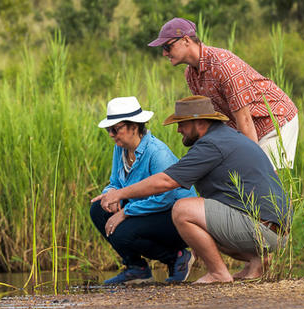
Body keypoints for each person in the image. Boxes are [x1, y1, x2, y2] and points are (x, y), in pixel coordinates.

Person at [100, 95, 290, 283]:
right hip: (271, 229)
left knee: (183, 209)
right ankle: (256, 261)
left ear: (198, 122)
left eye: (181, 124)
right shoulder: (226, 137)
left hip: (261, 229)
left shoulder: (211, 145)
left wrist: (120, 194)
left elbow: (166, 181)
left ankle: (218, 273)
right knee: (200, 218)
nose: (178, 130)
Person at [148, 18, 299, 170]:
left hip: (273, 120)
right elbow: (213, 121)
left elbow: (245, 120)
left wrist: (252, 166)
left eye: (168, 46)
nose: (164, 53)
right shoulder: (190, 74)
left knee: (267, 183)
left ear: (186, 40)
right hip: (247, 128)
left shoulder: (223, 65)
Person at [89, 96, 196, 285]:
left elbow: (165, 198)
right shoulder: (120, 149)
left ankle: (177, 257)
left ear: (135, 126)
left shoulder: (157, 153)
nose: (111, 135)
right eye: (109, 130)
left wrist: (126, 213)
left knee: (122, 230)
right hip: (147, 208)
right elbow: (115, 181)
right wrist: (110, 194)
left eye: (116, 129)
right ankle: (136, 267)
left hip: (173, 215)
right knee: (98, 208)